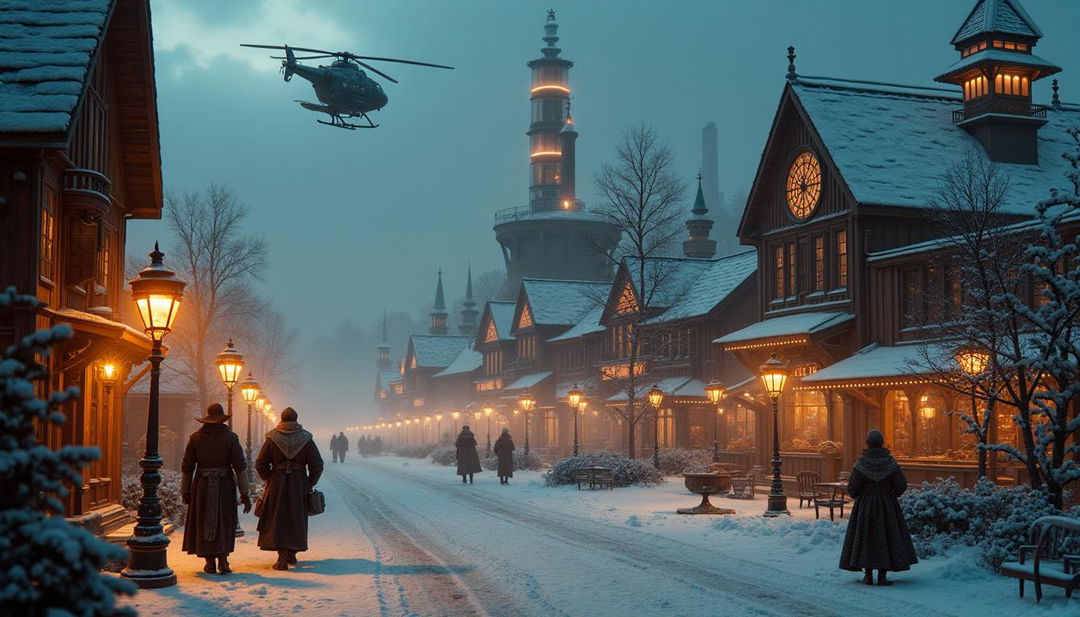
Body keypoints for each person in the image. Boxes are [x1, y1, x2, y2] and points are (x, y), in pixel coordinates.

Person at [839, 429, 918, 586]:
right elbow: (901, 486)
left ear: (867, 444)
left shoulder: (861, 464)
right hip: (887, 505)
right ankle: (882, 576)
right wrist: (889, 493)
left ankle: (868, 575)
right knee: (886, 537)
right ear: (882, 443)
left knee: (866, 538)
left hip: (865, 505)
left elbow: (853, 490)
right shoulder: (890, 463)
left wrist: (864, 493)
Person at [180, 403, 251, 575]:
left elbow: (187, 467)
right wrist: (245, 493)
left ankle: (209, 562)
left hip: (202, 486)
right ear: (222, 419)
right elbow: (240, 467)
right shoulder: (231, 438)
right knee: (224, 520)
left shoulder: (195, 438)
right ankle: (223, 560)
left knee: (204, 520)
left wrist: (186, 490)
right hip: (224, 485)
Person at [256, 407, 324, 570]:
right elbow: (317, 464)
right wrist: (309, 482)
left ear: (281, 419)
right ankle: (292, 552)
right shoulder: (306, 438)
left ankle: (282, 557)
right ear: (296, 419)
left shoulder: (272, 438)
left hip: (277, 482)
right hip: (299, 482)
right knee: (296, 516)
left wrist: (268, 478)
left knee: (278, 517)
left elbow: (260, 463)